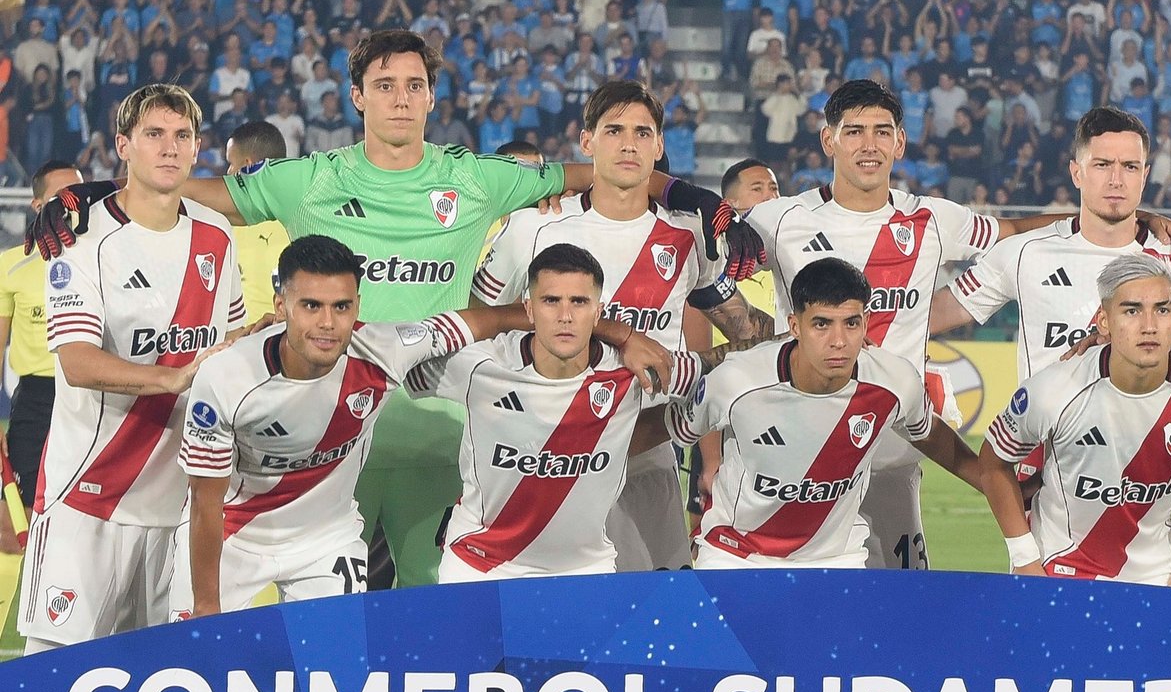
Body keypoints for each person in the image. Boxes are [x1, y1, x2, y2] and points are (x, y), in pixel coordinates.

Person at [28, 30, 752, 589]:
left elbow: (610, 168)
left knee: (431, 611)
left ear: (432, 98)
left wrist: (691, 195)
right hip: (323, 440)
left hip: (437, 434)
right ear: (357, 97)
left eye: (414, 86)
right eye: (384, 85)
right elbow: (184, 187)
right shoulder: (308, 180)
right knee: (316, 614)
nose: (401, 99)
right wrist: (87, 194)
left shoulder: (475, 179)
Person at [740, 80, 1171, 570]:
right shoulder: (776, 220)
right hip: (802, 449)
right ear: (828, 140)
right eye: (853, 132)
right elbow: (708, 272)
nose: (868, 145)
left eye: (881, 132)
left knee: (904, 598)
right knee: (790, 587)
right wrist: (755, 337)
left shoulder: (934, 220)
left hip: (894, 451)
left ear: (900, 142)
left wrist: (1128, 217)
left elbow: (1013, 230)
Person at [174, 235, 630, 616]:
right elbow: (205, 505)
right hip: (235, 535)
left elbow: (487, 318)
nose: (328, 323)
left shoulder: (385, 349)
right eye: (310, 305)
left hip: (325, 541)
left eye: (341, 306)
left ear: (358, 306)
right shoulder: (228, 376)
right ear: (281, 304)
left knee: (336, 674)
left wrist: (619, 333)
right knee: (195, 661)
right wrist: (207, 606)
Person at [471, 82, 773, 570]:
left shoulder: (688, 236)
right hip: (543, 454)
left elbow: (746, 330)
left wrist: (804, 335)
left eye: (642, 133)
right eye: (614, 131)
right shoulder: (533, 227)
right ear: (587, 141)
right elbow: (480, 325)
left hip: (645, 450)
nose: (629, 144)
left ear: (659, 145)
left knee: (661, 604)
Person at [20, 85, 246, 653]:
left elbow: (229, 343)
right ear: (123, 145)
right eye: (154, 134)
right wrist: (172, 377)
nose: (170, 148)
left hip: (179, 506)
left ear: (197, 147)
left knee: (161, 680)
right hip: (87, 499)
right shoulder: (80, 238)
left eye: (182, 136)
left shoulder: (217, 236)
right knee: (54, 678)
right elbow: (77, 362)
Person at [410, 243, 707, 581]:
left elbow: (724, 373)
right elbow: (404, 351)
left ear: (598, 312)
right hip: (479, 566)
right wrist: (620, 332)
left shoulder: (633, 372)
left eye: (579, 302)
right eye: (551, 301)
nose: (565, 316)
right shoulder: (481, 366)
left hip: (586, 569)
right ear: (528, 308)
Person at [666, 258, 983, 568]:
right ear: (794, 326)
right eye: (822, 324)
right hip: (736, 556)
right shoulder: (738, 380)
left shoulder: (895, 382)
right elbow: (672, 427)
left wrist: (994, 482)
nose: (839, 341)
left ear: (866, 323)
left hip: (838, 558)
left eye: (851, 323)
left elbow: (930, 436)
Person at [979, 254, 1171, 585]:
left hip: (1158, 577)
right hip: (1059, 570)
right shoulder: (1053, 391)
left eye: (1162, 310)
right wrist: (1025, 560)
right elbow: (993, 464)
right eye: (1132, 311)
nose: (1149, 326)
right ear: (1104, 321)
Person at [928, 106, 1171, 386]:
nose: (1116, 179)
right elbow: (931, 315)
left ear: (1145, 176)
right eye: (1102, 165)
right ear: (1077, 173)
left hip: (1141, 431)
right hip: (1047, 432)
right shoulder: (1024, 252)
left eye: (1130, 167)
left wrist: (1165, 317)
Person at [684, 158, 781, 527]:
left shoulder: (787, 269)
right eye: (758, 189)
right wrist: (711, 459)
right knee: (707, 536)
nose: (770, 196)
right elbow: (703, 370)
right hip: (725, 425)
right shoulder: (709, 265)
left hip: (782, 419)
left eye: (774, 188)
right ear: (730, 205)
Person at [0, 161, 83, 549]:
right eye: (60, 197)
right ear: (37, 205)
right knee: (16, 523)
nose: (72, 204)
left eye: (78, 195)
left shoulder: (105, 257)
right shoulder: (11, 265)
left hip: (92, 394)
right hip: (36, 399)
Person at [223, 120, 290, 324]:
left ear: (248, 165)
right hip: (292, 332)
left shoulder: (228, 224)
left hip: (245, 335)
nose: (228, 172)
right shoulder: (303, 217)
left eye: (231, 163)